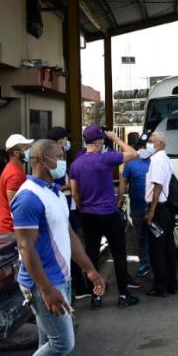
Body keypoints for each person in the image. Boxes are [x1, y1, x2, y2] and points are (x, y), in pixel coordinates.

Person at [0, 139, 107, 356]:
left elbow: (68, 234)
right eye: (60, 156)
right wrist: (46, 289)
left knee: (50, 343)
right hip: (44, 282)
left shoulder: (56, 193)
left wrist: (90, 270)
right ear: (44, 160)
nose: (64, 161)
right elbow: (25, 248)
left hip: (62, 278)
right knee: (62, 343)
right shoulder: (28, 197)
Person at [70, 125, 140, 309]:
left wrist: (82, 208)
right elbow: (133, 153)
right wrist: (116, 139)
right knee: (119, 254)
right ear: (100, 142)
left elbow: (75, 192)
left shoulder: (76, 164)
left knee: (91, 255)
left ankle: (96, 297)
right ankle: (124, 295)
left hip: (89, 215)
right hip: (109, 214)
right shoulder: (106, 158)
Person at [143, 132, 178, 297]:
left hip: (157, 210)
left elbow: (157, 186)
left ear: (160, 143)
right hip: (166, 209)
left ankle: (160, 286)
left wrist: (151, 210)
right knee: (168, 247)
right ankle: (172, 284)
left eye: (151, 141)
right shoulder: (166, 159)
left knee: (157, 249)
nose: (148, 144)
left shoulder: (157, 160)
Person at [119, 136, 152, 277]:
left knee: (155, 236)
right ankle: (144, 263)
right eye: (142, 146)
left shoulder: (157, 161)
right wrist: (120, 198)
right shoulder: (131, 163)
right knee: (140, 236)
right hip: (138, 206)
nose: (144, 149)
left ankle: (156, 262)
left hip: (155, 206)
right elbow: (123, 182)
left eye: (147, 146)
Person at [0, 134, 32, 234]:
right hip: (11, 231)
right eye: (26, 148)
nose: (29, 151)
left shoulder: (13, 169)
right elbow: (16, 207)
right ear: (16, 153)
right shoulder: (15, 175)